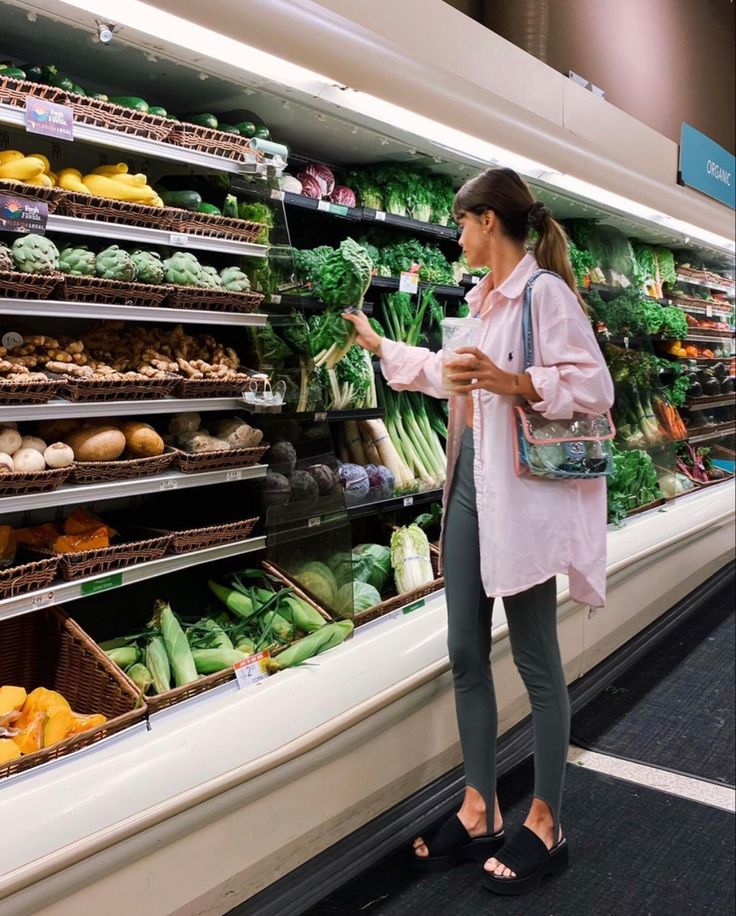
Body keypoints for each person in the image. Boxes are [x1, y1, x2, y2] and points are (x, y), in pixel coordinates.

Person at [343, 166, 614, 897]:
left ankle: (548, 823)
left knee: (535, 659)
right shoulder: (481, 300)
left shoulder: (545, 296)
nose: (455, 235)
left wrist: (518, 383)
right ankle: (480, 806)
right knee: (466, 650)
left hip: (520, 500)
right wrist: (380, 347)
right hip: (467, 490)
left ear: (488, 221)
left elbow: (595, 386)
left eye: (461, 223)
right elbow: (449, 374)